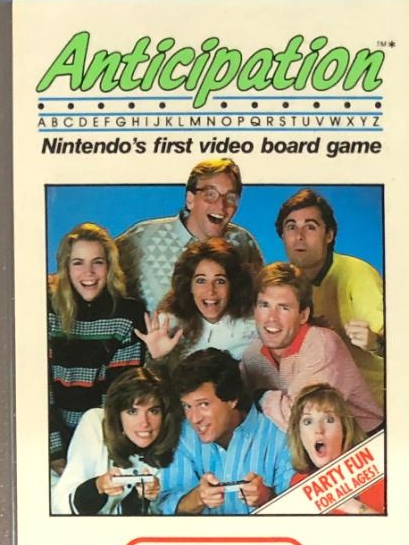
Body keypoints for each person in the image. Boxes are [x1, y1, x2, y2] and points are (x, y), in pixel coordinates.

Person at [47, 223, 147, 468]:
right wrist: (54, 453)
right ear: (66, 268)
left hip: (104, 441)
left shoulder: (127, 314)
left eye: (98, 262)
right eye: (78, 263)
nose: (89, 272)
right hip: (50, 440)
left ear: (109, 266)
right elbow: (38, 391)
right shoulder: (47, 310)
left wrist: (99, 453)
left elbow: (120, 395)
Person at [275, 188, 386, 406]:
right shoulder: (283, 283)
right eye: (291, 227)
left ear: (329, 235)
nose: (299, 236)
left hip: (367, 407)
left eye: (310, 227)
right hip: (315, 406)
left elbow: (396, 343)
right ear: (283, 236)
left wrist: (375, 342)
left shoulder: (357, 274)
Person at [156, 348, 294, 515]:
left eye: (203, 404)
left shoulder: (278, 435)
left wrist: (267, 498)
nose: (194, 418)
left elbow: (302, 513)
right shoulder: (183, 436)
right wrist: (198, 498)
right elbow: (164, 508)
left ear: (232, 399)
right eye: (187, 406)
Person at [252, 262, 384, 434]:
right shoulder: (252, 354)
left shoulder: (322, 345)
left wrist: (261, 397)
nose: (272, 318)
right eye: (264, 305)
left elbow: (302, 420)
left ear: (303, 315)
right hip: (308, 445)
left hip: (364, 441)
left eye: (284, 308)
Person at [116, 158, 262, 311]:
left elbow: (260, 302)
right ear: (190, 199)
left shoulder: (243, 242)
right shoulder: (142, 239)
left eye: (230, 198)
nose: (221, 205)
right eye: (210, 194)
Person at [51, 367, 180, 516]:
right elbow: (61, 506)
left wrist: (144, 498)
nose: (144, 423)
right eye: (132, 412)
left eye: (153, 411)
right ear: (117, 415)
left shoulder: (175, 440)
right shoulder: (95, 422)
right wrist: (97, 487)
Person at [136, 235, 262, 368]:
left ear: (233, 285)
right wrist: (157, 358)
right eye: (201, 281)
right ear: (189, 285)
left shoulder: (254, 323)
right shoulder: (169, 324)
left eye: (220, 281)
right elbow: (152, 378)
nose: (210, 291)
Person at [285, 383, 386, 515]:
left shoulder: (376, 475)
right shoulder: (299, 483)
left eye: (329, 420)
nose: (318, 430)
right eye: (308, 422)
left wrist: (356, 508)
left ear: (344, 429)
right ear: (299, 434)